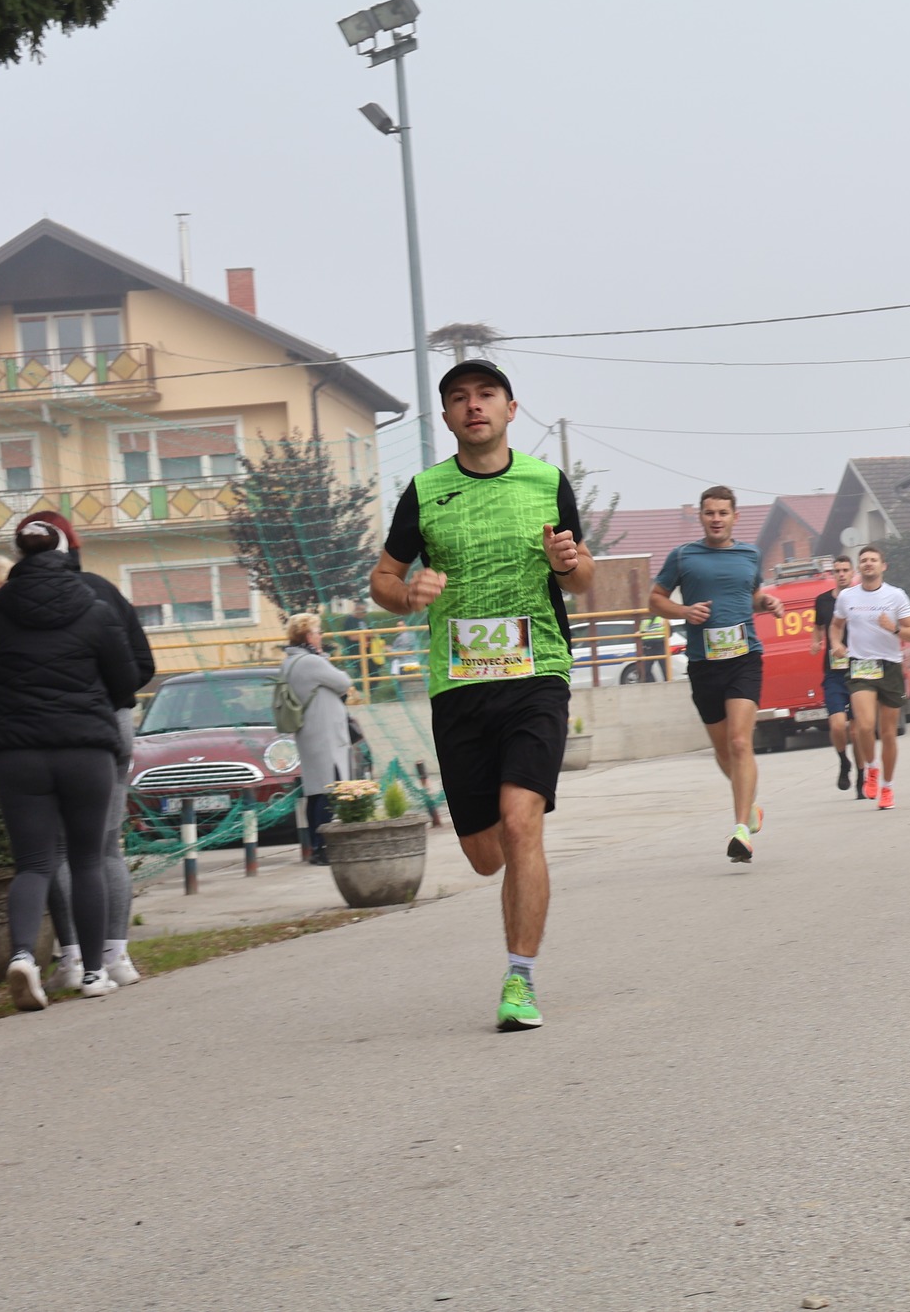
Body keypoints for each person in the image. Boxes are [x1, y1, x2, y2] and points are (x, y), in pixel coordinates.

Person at [370, 359, 593, 1032]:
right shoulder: (426, 491)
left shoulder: (547, 482)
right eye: (459, 399)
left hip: (536, 673)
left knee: (522, 820)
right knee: (485, 851)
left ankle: (519, 980)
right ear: (445, 418)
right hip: (459, 683)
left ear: (510, 408)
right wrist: (406, 594)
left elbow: (583, 577)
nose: (474, 407)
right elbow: (382, 577)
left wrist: (567, 563)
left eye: (486, 395)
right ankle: (514, 898)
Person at [0, 519, 139, 1010]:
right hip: (84, 749)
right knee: (88, 859)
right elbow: (125, 685)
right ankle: (92, 973)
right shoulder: (96, 609)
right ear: (66, 551)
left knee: (33, 864)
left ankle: (24, 956)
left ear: (17, 557)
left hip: (16, 754)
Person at [14, 510, 157, 990]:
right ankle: (115, 957)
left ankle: (73, 958)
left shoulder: (11, 604)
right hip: (109, 725)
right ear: (72, 547)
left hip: (42, 734)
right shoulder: (104, 592)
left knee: (53, 851)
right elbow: (141, 666)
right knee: (103, 848)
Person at [651, 486, 784, 861]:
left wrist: (768, 601)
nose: (716, 519)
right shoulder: (683, 557)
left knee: (741, 743)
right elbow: (654, 600)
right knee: (723, 749)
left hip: (745, 657)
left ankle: (741, 829)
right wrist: (685, 612)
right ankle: (751, 805)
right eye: (709, 513)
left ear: (734, 517)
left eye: (723, 513)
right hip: (703, 663)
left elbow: (750, 595)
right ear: (701, 516)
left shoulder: (749, 554)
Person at [830, 545, 910, 809]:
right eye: (864, 560)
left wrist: (894, 629)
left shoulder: (896, 596)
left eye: (873, 560)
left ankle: (888, 788)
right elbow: (835, 627)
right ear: (860, 568)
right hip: (861, 665)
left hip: (890, 665)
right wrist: (836, 643)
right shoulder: (847, 597)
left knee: (889, 733)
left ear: (883, 566)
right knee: (865, 726)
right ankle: (871, 768)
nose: (868, 564)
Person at [282, 613, 356, 865]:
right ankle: (324, 848)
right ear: (307, 635)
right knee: (329, 790)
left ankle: (317, 846)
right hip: (325, 735)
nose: (321, 635)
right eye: (317, 631)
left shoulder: (290, 662)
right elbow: (343, 681)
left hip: (310, 733)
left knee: (316, 792)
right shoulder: (311, 662)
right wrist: (324, 659)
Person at [811, 554, 858, 793]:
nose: (841, 574)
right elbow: (818, 627)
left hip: (860, 670)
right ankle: (843, 761)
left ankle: (862, 776)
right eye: (837, 570)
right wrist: (816, 642)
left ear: (852, 573)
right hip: (834, 672)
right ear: (833, 574)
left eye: (845, 570)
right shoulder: (822, 601)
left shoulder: (861, 599)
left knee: (860, 729)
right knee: (838, 725)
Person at [638, 611, 672, 682]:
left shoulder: (663, 618)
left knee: (665, 670)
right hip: (648, 647)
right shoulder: (644, 620)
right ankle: (652, 684)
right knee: (646, 670)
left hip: (660, 645)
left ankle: (668, 683)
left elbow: (670, 632)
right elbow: (642, 632)